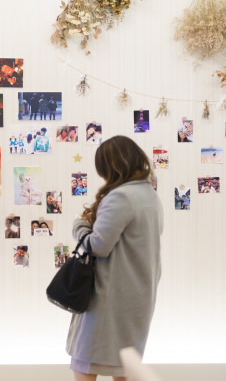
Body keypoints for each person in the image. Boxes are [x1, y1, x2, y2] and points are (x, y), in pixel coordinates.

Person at [67, 135, 163, 380]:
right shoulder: (149, 194)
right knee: (124, 365)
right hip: (137, 295)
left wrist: (79, 226)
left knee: (85, 363)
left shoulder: (121, 197)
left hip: (109, 297)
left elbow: (98, 245)